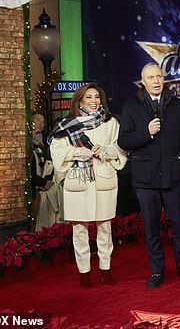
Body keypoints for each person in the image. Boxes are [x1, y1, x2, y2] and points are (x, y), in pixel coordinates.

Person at [118, 63, 180, 289]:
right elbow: (124, 141)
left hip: (172, 177)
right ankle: (157, 270)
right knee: (151, 228)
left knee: (179, 224)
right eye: (151, 77)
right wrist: (147, 133)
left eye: (159, 76)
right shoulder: (132, 107)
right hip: (146, 180)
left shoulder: (177, 105)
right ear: (143, 81)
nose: (156, 80)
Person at [49, 84, 127, 288]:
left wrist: (107, 151)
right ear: (80, 100)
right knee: (80, 231)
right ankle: (84, 273)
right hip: (78, 181)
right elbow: (57, 152)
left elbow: (121, 148)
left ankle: (105, 270)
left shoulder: (111, 123)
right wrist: (76, 153)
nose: (94, 100)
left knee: (105, 229)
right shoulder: (67, 124)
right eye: (88, 97)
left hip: (103, 179)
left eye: (97, 97)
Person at [31, 112, 59, 230]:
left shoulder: (45, 139)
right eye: (38, 120)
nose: (40, 124)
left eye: (43, 121)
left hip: (44, 184)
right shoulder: (29, 143)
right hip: (36, 187)